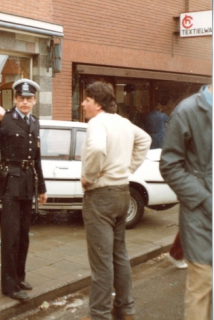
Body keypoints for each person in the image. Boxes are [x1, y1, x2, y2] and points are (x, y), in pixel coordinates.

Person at [79, 82, 151, 320]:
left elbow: (98, 149)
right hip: (122, 193)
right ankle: (125, 308)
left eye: (86, 100)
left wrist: (88, 177)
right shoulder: (123, 122)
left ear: (97, 103)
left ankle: (99, 314)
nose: (83, 104)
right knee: (119, 254)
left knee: (101, 261)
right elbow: (145, 141)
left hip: (100, 197)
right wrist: (127, 168)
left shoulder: (97, 123)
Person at [0, 78, 47, 302]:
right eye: (21, 98)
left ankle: (19, 277)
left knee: (23, 235)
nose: (25, 102)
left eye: (29, 99)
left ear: (35, 101)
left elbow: (37, 158)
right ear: (15, 99)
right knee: (10, 236)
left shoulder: (35, 122)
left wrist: (41, 187)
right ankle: (9, 286)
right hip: (10, 183)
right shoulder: (5, 119)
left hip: (28, 183)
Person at [160, 84, 212, 320]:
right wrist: (204, 199)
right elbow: (169, 165)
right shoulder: (188, 110)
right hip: (201, 217)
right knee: (202, 285)